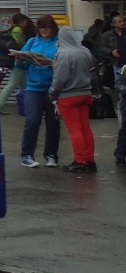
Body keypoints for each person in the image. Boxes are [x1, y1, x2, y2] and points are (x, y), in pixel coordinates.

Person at [49, 26, 98, 173]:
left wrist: (52, 93)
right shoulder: (85, 52)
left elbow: (60, 79)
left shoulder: (63, 54)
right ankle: (90, 160)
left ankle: (80, 161)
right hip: (85, 94)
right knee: (85, 128)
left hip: (68, 96)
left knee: (74, 130)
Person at [18, 14, 61, 168]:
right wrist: (20, 61)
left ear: (53, 28)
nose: (43, 30)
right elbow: (20, 66)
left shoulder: (59, 43)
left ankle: (51, 154)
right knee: (32, 120)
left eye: (46, 27)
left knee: (53, 123)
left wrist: (53, 65)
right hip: (33, 88)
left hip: (53, 89)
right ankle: (27, 155)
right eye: (40, 27)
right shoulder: (32, 41)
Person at [0, 14, 34, 115]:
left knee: (24, 85)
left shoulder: (12, 28)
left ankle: (28, 107)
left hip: (19, 60)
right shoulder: (18, 29)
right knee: (13, 84)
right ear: (22, 20)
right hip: (18, 60)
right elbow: (18, 44)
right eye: (25, 20)